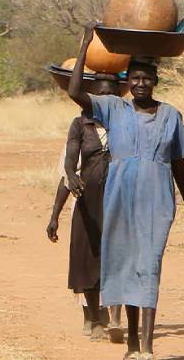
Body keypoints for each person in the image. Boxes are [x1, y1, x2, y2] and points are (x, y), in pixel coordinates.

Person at [68, 23, 184, 360]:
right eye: (135, 78)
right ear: (128, 82)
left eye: (147, 78)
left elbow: (178, 166)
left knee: (150, 266)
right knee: (126, 265)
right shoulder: (114, 108)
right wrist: (84, 46)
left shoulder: (171, 115)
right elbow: (74, 92)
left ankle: (148, 345)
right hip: (120, 199)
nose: (141, 83)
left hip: (157, 201)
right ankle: (130, 344)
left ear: (155, 81)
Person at [46, 76, 123, 343]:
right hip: (88, 202)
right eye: (100, 95)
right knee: (87, 261)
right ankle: (92, 316)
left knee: (116, 259)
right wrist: (54, 216)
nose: (105, 101)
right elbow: (68, 173)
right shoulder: (80, 126)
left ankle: (112, 317)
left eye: (111, 95)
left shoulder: (125, 125)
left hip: (118, 202)